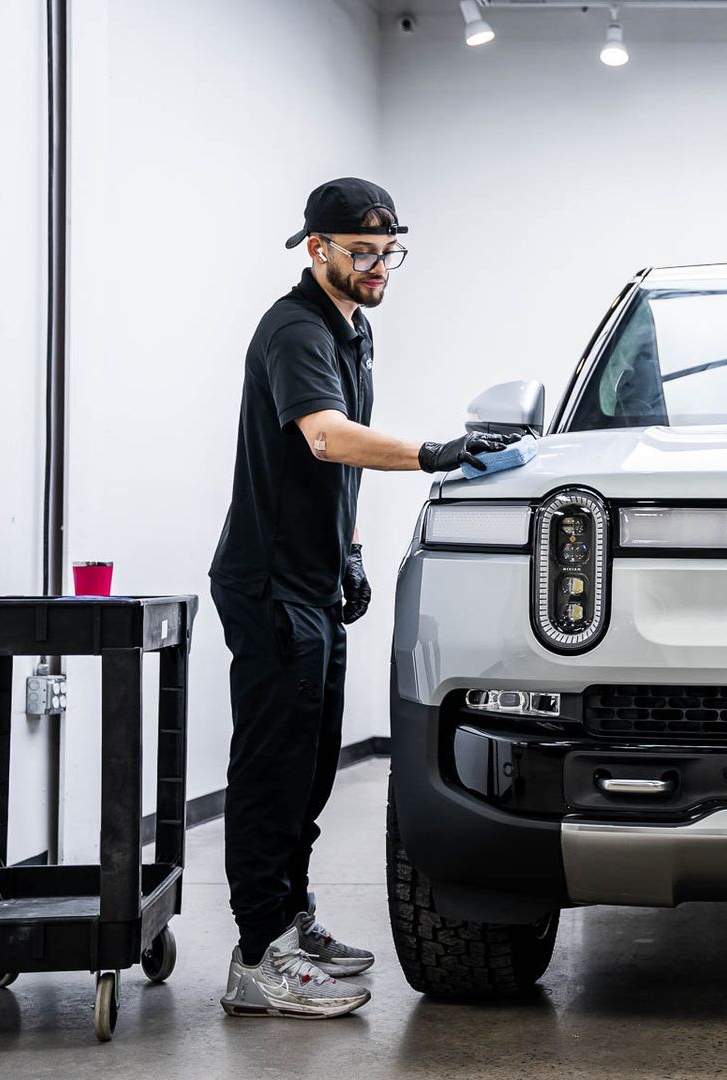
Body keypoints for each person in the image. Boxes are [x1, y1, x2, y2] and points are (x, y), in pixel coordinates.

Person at [208, 177, 518, 1019]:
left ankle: (290, 925)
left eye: (390, 251)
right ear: (318, 250)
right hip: (270, 582)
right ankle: (255, 957)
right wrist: (436, 453)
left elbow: (332, 466)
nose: (380, 266)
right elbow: (326, 435)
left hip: (312, 577)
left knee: (310, 771)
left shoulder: (355, 330)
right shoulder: (296, 330)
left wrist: (347, 549)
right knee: (272, 769)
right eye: (364, 252)